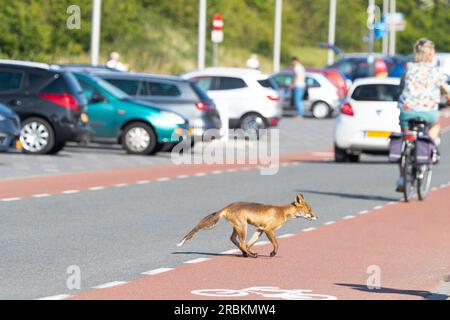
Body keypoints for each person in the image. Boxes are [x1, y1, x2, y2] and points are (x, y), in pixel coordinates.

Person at [396, 38, 450, 192]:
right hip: (428, 112)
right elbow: (445, 89)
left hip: (407, 111)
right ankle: (430, 144)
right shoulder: (435, 71)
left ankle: (401, 177)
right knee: (435, 124)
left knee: (404, 137)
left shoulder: (409, 68)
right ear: (430, 55)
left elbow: (401, 86)